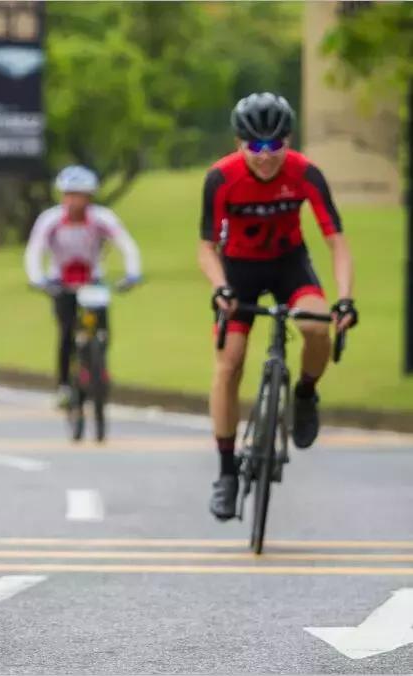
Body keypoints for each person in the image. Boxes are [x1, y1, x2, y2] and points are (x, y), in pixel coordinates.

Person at [199, 92, 357, 521]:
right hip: (239, 274)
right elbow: (206, 248)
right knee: (229, 363)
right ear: (239, 143)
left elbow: (336, 243)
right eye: (256, 146)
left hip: (289, 266)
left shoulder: (305, 173)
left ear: (288, 141)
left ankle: (305, 393)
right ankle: (227, 473)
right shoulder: (220, 178)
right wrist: (220, 288)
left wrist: (344, 297)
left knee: (316, 325)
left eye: (275, 145)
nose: (266, 157)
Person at [24, 165, 142, 408]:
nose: (74, 200)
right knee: (67, 332)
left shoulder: (102, 218)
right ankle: (65, 384)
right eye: (69, 194)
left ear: (90, 197)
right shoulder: (50, 220)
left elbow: (125, 243)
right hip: (60, 280)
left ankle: (98, 367)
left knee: (102, 329)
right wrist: (38, 279)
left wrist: (133, 273)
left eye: (80, 194)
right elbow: (35, 250)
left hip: (92, 280)